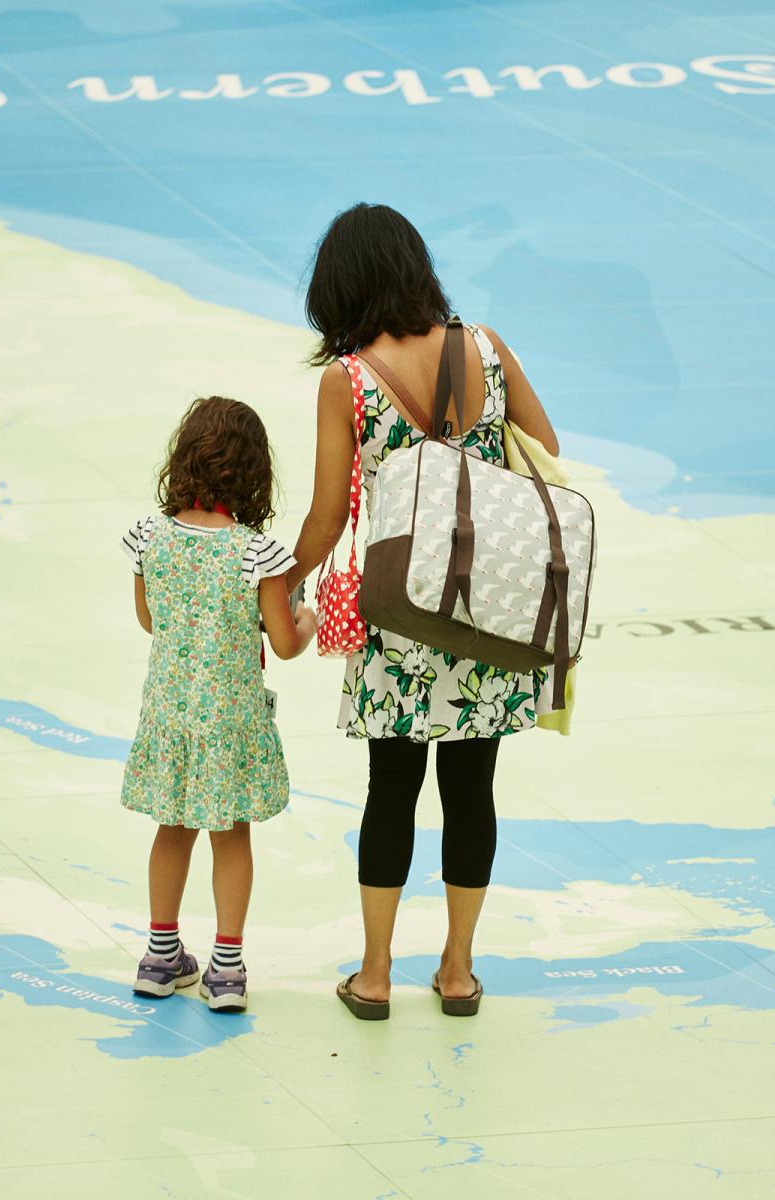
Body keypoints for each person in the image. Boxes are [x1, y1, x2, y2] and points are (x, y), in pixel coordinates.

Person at [285, 203, 560, 1020]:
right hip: (491, 608)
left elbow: (329, 515)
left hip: (402, 610)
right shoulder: (486, 347)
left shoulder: (349, 381)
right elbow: (545, 449)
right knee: (473, 788)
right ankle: (457, 970)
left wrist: (285, 580)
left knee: (391, 788)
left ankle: (374, 975)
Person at [120, 396, 316, 1013]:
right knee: (232, 836)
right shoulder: (257, 554)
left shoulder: (149, 537)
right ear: (255, 473)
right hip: (231, 722)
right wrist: (304, 617)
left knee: (171, 829)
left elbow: (149, 619)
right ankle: (225, 969)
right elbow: (284, 645)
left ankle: (159, 955)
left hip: (171, 715)